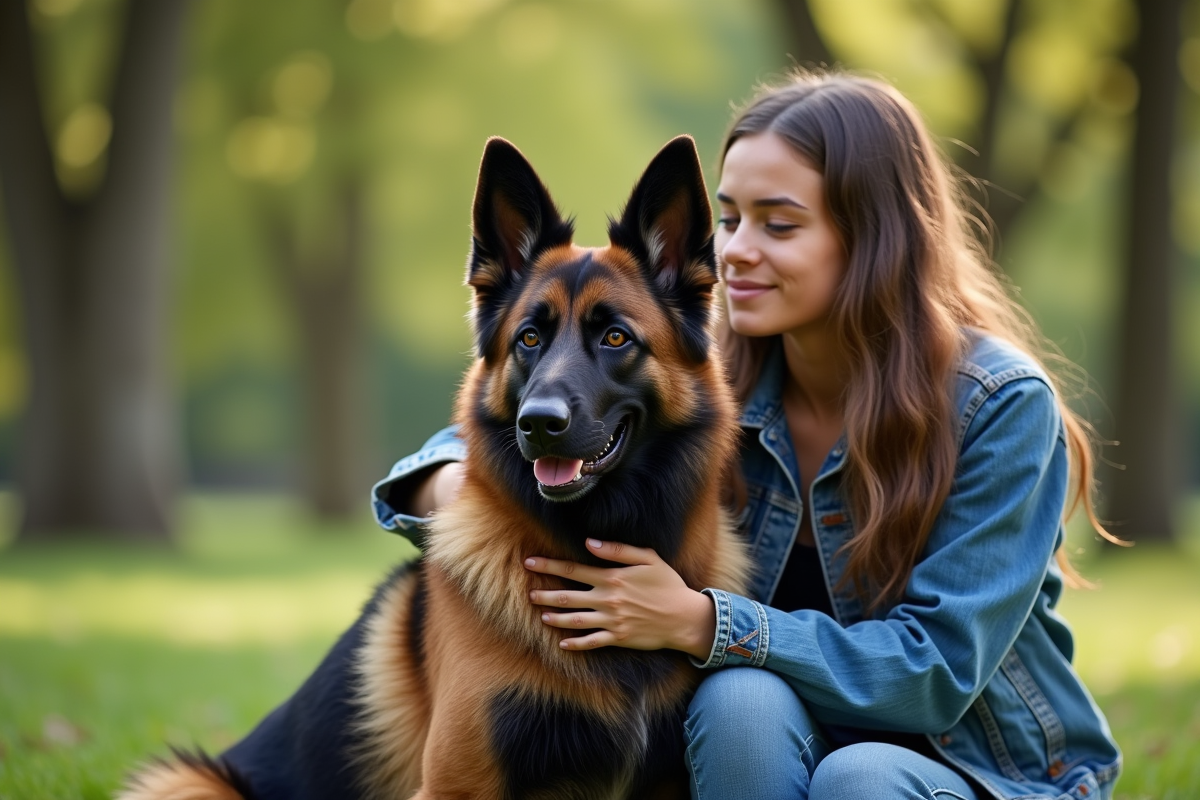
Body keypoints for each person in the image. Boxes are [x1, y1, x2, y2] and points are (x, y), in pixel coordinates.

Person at [371, 71, 1122, 800]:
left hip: (982, 768)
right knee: (738, 705)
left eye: (779, 223)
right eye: (728, 219)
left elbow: (938, 674)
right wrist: (448, 481)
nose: (734, 252)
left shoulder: (999, 405)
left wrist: (704, 621)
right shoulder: (716, 377)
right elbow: (523, 419)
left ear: (873, 238)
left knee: (857, 778)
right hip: (798, 735)